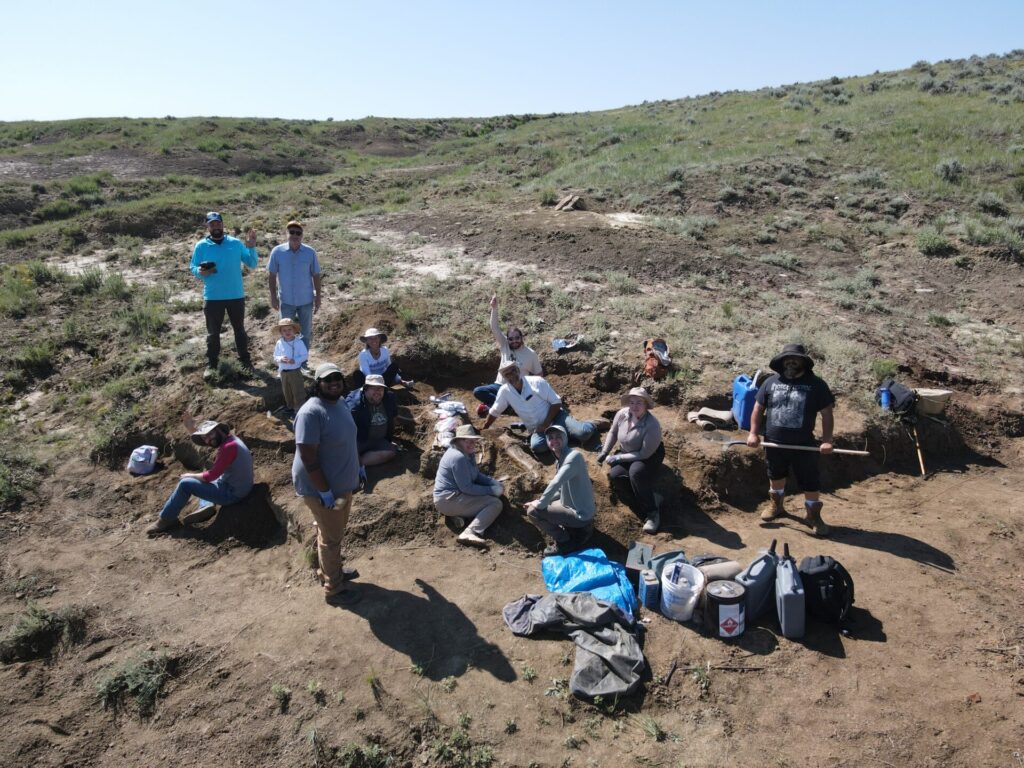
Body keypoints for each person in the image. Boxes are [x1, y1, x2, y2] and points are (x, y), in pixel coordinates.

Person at [746, 343, 836, 536]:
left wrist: (827, 440)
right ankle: (776, 506)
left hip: (804, 445)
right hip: (774, 442)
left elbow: (827, 414)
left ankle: (813, 516)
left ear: (804, 362)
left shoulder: (817, 385)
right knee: (775, 474)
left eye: (795, 359)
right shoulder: (770, 382)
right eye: (787, 359)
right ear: (781, 362)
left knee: (810, 480)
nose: (791, 362)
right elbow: (758, 408)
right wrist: (753, 433)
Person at [293, 363, 362, 602]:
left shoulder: (340, 403)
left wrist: (358, 467)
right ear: (317, 384)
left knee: (334, 530)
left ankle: (330, 570)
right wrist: (324, 491)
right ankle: (333, 588)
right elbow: (308, 457)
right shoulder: (311, 413)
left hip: (343, 485)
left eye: (337, 377)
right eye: (327, 379)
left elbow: (348, 439)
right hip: (323, 489)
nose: (334, 382)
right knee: (331, 537)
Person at [146, 414, 254, 536]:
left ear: (219, 430)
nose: (208, 440)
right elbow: (209, 440)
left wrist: (189, 475)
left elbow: (210, 476)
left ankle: (166, 519)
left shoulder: (228, 447)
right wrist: (191, 428)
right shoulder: (231, 440)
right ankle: (206, 505)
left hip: (232, 494)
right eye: (204, 438)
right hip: (238, 485)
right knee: (203, 475)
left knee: (185, 484)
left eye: (209, 434)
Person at [189, 211, 259, 379]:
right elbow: (193, 266)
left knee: (239, 330)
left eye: (218, 223)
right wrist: (200, 272)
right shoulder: (201, 246)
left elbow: (252, 263)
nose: (216, 226)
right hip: (213, 297)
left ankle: (245, 361)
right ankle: (212, 364)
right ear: (207, 226)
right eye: (212, 224)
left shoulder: (235, 243)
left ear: (222, 224)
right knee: (213, 334)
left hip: (236, 295)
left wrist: (251, 247)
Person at [481, 360, 602, 456]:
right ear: (504, 377)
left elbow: (556, 402)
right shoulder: (504, 391)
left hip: (556, 417)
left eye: (513, 370)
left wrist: (546, 423)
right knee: (538, 447)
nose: (511, 375)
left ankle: (592, 424)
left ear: (518, 370)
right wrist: (484, 428)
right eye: (507, 374)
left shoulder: (536, 382)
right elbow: (495, 411)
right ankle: (565, 434)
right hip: (538, 428)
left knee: (584, 433)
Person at [598, 387, 665, 534]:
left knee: (636, 472)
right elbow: (613, 432)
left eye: (639, 402)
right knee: (616, 475)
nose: (634, 406)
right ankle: (650, 497)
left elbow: (643, 454)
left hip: (650, 455)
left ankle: (653, 513)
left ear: (646, 404)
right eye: (632, 402)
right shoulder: (622, 414)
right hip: (627, 451)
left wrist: (618, 457)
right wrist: (605, 452)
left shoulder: (652, 425)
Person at [524, 425, 596, 556]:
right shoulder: (561, 460)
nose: (554, 440)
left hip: (580, 514)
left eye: (558, 437)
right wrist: (540, 501)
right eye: (550, 438)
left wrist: (539, 504)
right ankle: (572, 529)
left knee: (533, 512)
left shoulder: (573, 457)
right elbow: (561, 489)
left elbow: (556, 483)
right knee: (546, 503)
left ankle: (565, 541)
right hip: (571, 506)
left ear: (565, 438)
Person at [433, 424, 504, 547]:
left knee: (489, 497)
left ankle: (457, 516)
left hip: (452, 497)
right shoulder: (458, 457)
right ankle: (470, 532)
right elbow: (467, 488)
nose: (472, 444)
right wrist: (491, 490)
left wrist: (492, 482)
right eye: (468, 441)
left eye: (474, 441)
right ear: (458, 441)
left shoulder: (468, 453)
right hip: (448, 500)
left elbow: (476, 475)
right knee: (495, 503)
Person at [473, 294, 543, 412]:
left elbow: (539, 375)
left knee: (524, 399)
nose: (514, 341)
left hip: (517, 389)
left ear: (521, 338)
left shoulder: (531, 354)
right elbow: (494, 328)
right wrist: (494, 308)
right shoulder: (505, 345)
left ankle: (499, 406)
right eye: (511, 339)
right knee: (478, 391)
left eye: (517, 338)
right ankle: (509, 407)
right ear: (507, 339)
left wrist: (536, 392)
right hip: (499, 386)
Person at [267, 220, 322, 355]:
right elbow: (272, 275)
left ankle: (302, 361)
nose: (295, 235)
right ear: (286, 233)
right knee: (285, 332)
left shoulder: (310, 252)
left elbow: (316, 275)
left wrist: (318, 297)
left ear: (302, 235)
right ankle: (287, 360)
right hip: (286, 301)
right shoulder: (277, 252)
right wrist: (273, 297)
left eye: (298, 233)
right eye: (292, 232)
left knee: (305, 333)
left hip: (306, 300)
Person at [344, 374, 398, 491]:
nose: (378, 392)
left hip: (378, 439)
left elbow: (393, 418)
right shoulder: (354, 405)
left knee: (392, 452)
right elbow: (347, 434)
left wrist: (390, 439)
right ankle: (354, 463)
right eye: (373, 388)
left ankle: (358, 462)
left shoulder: (389, 398)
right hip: (359, 440)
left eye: (380, 388)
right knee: (347, 453)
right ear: (365, 389)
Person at [273, 317, 308, 417]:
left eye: (289, 329)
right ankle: (290, 406)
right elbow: (275, 356)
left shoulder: (298, 342)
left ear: (294, 330)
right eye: (284, 330)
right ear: (281, 332)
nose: (287, 332)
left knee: (297, 391)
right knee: (287, 391)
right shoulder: (279, 342)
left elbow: (305, 355)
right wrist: (280, 359)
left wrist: (295, 360)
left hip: (295, 371)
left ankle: (299, 409)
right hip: (283, 372)